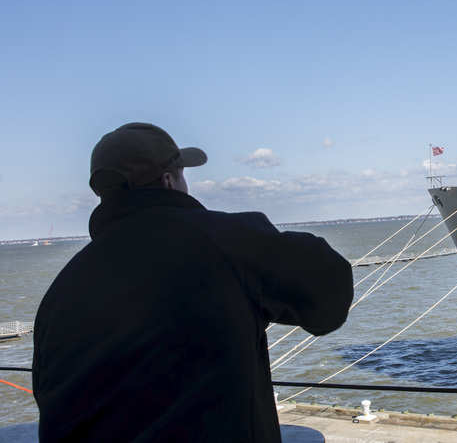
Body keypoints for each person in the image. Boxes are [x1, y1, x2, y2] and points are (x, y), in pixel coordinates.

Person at [32, 122, 354, 442]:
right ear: (169, 180)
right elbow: (330, 296)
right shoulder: (226, 242)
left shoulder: (62, 291)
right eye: (183, 173)